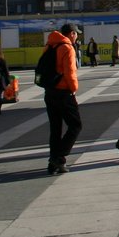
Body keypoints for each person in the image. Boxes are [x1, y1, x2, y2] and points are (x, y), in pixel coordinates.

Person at [42, 23, 81, 175]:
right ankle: (59, 157)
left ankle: (52, 161)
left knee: (55, 128)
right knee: (75, 125)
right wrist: (73, 89)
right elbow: (69, 71)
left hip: (49, 92)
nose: (77, 36)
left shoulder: (50, 45)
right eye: (76, 33)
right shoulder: (67, 47)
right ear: (71, 34)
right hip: (64, 92)